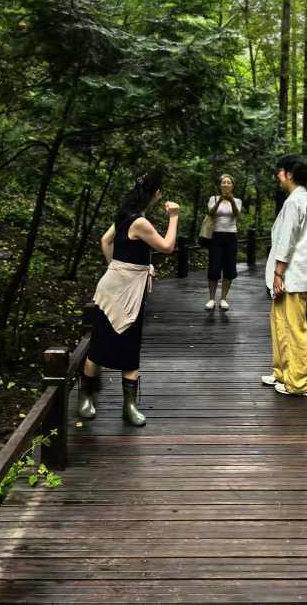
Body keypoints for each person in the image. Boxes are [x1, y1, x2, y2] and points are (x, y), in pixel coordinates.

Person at [78, 169, 179, 426]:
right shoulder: (139, 222)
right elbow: (167, 246)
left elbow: (105, 241)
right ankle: (123, 405)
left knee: (111, 343)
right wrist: (174, 216)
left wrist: (114, 267)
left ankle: (94, 401)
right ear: (157, 193)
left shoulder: (125, 215)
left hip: (118, 288)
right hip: (123, 289)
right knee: (111, 343)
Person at [261, 154, 307, 397]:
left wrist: (278, 273)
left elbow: (287, 240)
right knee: (279, 322)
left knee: (294, 328)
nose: (278, 175)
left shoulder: (295, 202)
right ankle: (282, 372)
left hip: (292, 276)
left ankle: (299, 383)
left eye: (280, 171)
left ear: (290, 174)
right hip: (301, 274)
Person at [205, 174, 242, 311]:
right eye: (223, 182)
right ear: (220, 185)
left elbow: (237, 215)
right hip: (216, 236)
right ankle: (211, 299)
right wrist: (220, 200)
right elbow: (210, 213)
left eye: (228, 182)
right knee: (214, 267)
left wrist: (231, 201)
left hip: (231, 236)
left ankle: (223, 299)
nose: (226, 184)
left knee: (229, 268)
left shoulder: (237, 200)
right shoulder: (213, 199)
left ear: (232, 186)